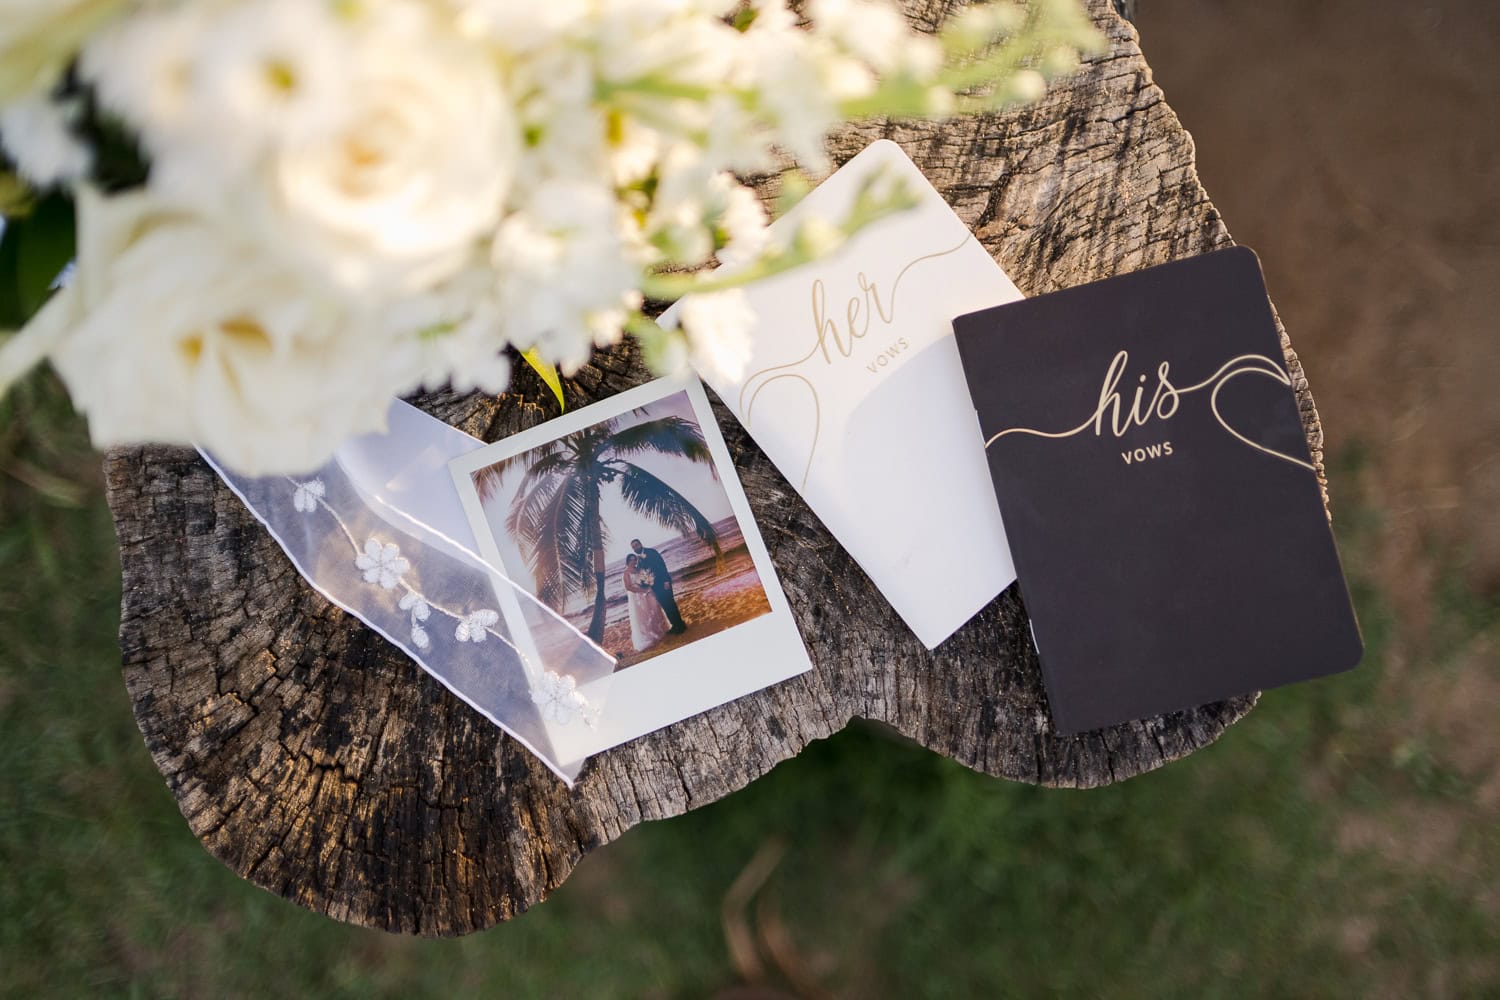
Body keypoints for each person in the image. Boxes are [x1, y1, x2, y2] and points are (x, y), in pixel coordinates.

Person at [631, 538, 686, 634]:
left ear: (640, 544)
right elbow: (644, 573)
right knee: (665, 605)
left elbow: (661, 565)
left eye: (636, 545)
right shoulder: (639, 560)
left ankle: (681, 625)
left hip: (663, 582)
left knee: (670, 603)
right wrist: (643, 583)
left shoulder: (651, 552)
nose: (635, 548)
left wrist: (666, 581)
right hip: (654, 586)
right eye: (633, 547)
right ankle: (674, 625)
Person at [622, 554, 669, 652]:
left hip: (646, 592)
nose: (633, 561)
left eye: (634, 560)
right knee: (643, 616)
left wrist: (648, 584)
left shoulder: (639, 569)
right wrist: (642, 591)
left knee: (654, 609)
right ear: (627, 561)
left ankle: (660, 630)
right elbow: (628, 587)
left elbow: (646, 579)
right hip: (636, 596)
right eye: (631, 560)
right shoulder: (626, 573)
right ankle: (648, 636)